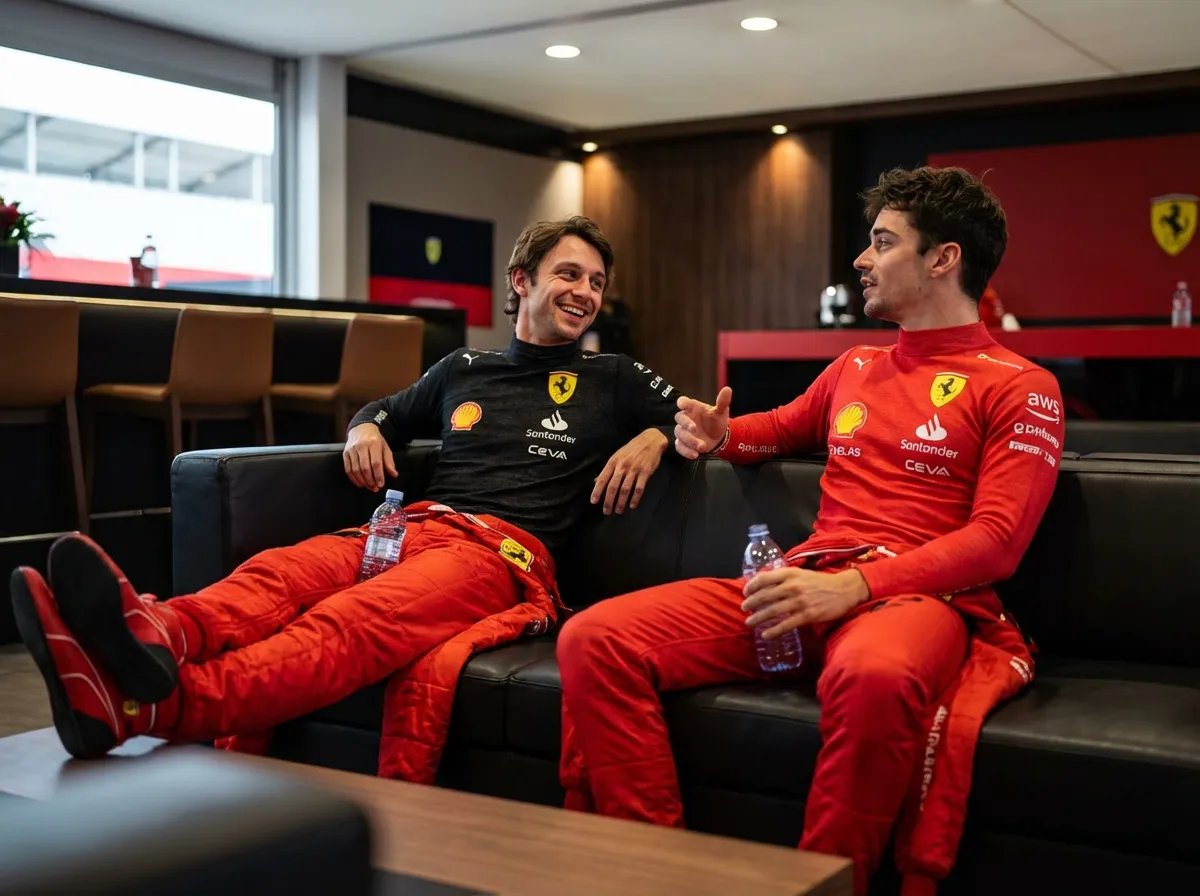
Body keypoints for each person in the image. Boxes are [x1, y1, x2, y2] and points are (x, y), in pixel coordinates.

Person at [12, 215, 683, 783]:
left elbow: (705, 424)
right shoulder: (464, 369)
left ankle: (157, 707)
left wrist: (654, 435)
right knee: (277, 575)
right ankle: (155, 631)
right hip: (411, 528)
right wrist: (364, 427)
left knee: (348, 623)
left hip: (499, 558)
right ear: (522, 281)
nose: (586, 292)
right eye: (569, 274)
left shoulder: (612, 376)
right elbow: (385, 411)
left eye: (596, 282)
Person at [555, 167, 1064, 896]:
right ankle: (656, 871)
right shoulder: (854, 365)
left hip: (914, 601)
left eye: (883, 242)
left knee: (876, 676)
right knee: (593, 638)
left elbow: (998, 542)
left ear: (943, 259)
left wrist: (852, 588)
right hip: (806, 578)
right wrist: (714, 431)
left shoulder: (1020, 385)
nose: (862, 259)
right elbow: (777, 430)